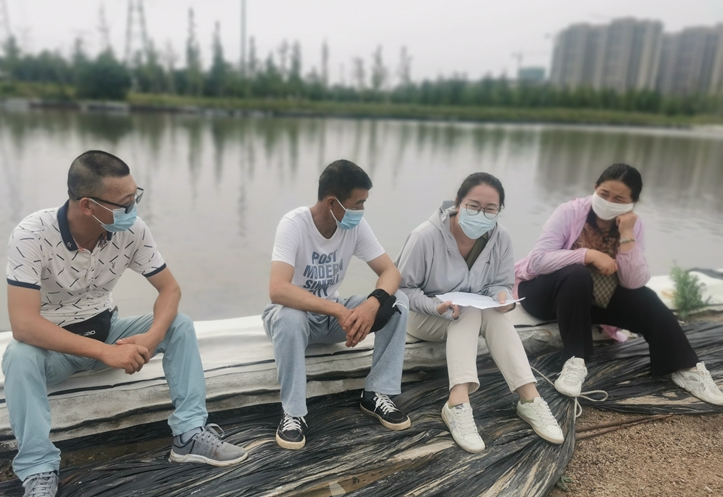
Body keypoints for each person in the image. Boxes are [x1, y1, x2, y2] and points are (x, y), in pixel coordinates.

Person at [3, 150, 248, 497]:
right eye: (125, 203)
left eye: (136, 197)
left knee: (179, 325)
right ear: (88, 205)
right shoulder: (32, 235)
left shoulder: (130, 231)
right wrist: (105, 353)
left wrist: (150, 338)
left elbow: (170, 290)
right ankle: (38, 472)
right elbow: (23, 325)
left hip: (107, 328)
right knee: (18, 356)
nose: (133, 209)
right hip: (55, 349)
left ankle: (188, 435)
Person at [515, 163, 723, 405]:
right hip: (545, 294)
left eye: (619, 199)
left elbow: (633, 282)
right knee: (576, 274)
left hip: (589, 300)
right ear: (595, 188)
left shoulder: (633, 226)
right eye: (604, 194)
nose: (609, 202)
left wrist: (626, 236)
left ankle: (685, 367)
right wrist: (588, 255)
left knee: (646, 297)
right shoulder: (569, 212)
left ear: (632, 203)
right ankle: (574, 361)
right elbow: (539, 261)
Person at [396, 172, 564, 454]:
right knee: (470, 312)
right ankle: (457, 403)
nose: (481, 214)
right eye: (473, 206)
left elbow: (501, 283)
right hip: (424, 316)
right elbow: (401, 289)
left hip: (469, 313)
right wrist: (435, 306)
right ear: (458, 203)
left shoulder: (500, 238)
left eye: (490, 209)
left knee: (491, 314)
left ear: (499, 211)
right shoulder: (425, 236)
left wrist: (501, 298)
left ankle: (530, 399)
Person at [263, 159, 411, 450]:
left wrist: (372, 303)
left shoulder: (355, 227)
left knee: (398, 303)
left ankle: (377, 393)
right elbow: (278, 290)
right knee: (290, 317)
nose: (362, 210)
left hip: (333, 317)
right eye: (358, 203)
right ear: (332, 202)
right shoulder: (294, 224)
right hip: (294, 318)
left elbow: (391, 272)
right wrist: (338, 310)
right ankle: (293, 414)